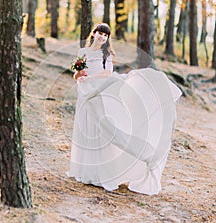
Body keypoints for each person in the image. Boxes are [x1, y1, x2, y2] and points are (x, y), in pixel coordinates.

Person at [67, 23, 182, 195]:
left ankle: (100, 173)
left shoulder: (106, 55)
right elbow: (76, 75)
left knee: (100, 130)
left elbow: (107, 73)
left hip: (99, 92)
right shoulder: (82, 53)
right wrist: (80, 75)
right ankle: (84, 171)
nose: (102, 37)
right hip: (84, 93)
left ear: (107, 39)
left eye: (105, 36)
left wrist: (91, 77)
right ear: (94, 34)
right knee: (85, 129)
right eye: (100, 34)